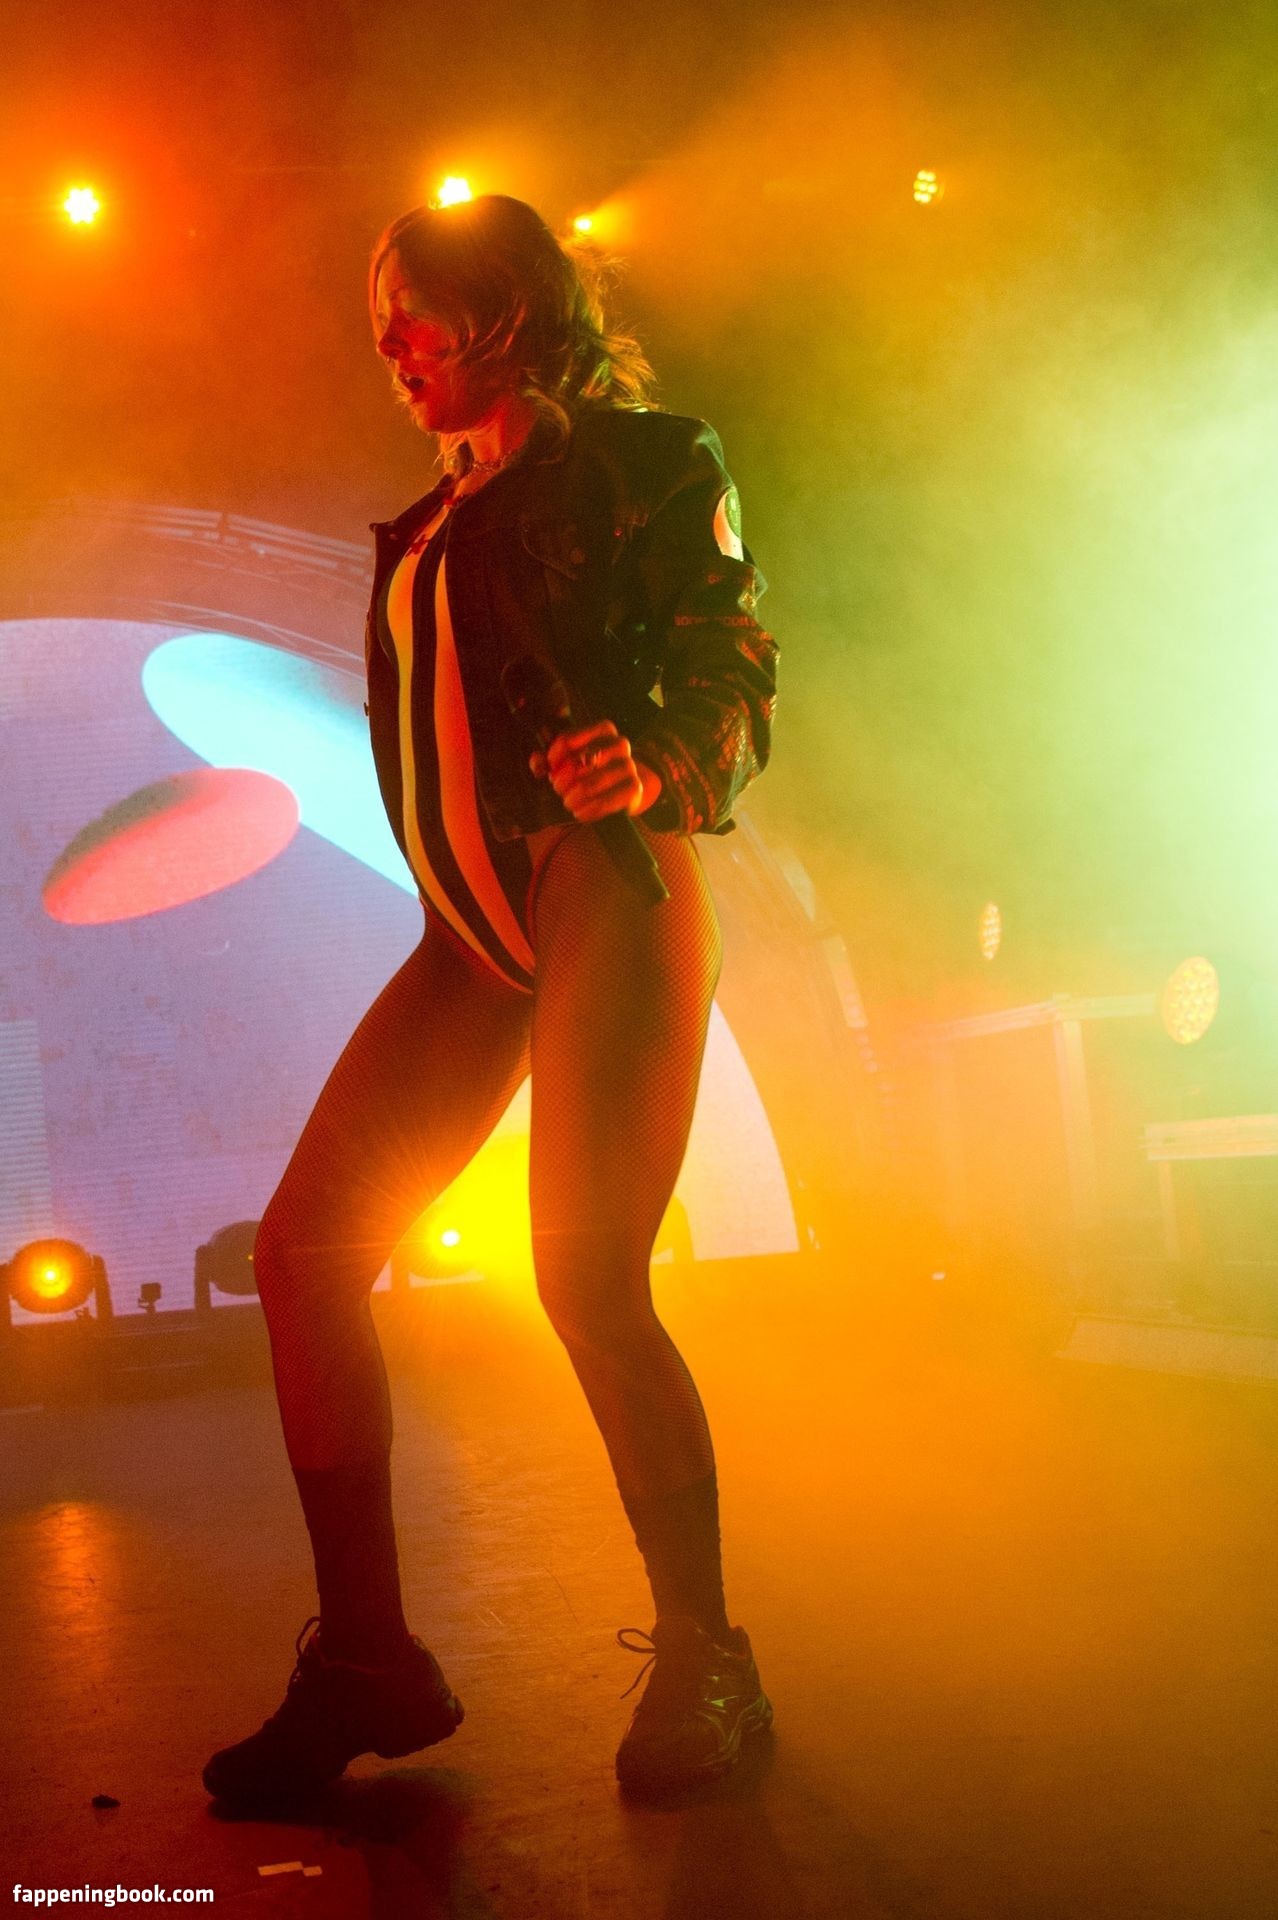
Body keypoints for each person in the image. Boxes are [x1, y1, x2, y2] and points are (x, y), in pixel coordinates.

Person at [202, 193, 778, 1805]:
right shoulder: (426, 520)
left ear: (507, 311)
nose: (385, 343)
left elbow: (732, 661)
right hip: (468, 937)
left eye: (411, 308)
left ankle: (707, 1655)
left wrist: (653, 756)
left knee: (584, 1274)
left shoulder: (645, 460)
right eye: (374, 315)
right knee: (305, 1256)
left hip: (606, 884)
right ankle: (368, 1660)